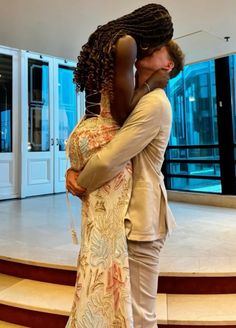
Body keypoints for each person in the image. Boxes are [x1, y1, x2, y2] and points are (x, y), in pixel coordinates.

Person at [65, 3, 176, 327]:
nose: (153, 48)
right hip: (101, 142)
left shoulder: (105, 42)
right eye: (157, 41)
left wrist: (76, 173)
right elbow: (123, 115)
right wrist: (154, 82)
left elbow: (110, 154)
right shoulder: (126, 46)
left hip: (87, 134)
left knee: (97, 260)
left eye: (160, 49)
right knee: (104, 265)